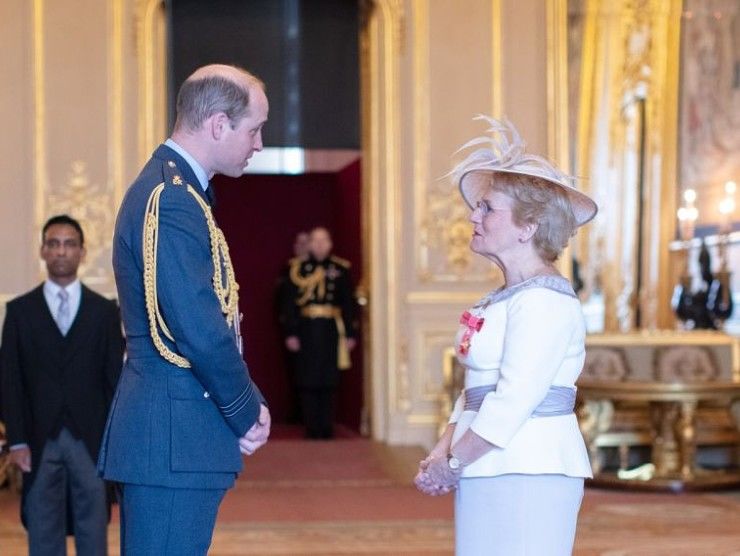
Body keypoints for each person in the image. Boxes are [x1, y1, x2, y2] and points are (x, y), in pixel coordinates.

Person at [97, 64, 271, 555]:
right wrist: (245, 409)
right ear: (218, 124)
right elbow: (197, 327)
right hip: (173, 438)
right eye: (254, 128)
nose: (258, 143)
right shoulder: (172, 200)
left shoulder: (181, 193)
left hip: (174, 437)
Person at [414, 116, 597, 555]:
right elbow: (474, 392)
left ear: (528, 227)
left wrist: (454, 461)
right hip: (487, 462)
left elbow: (516, 398)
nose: (473, 216)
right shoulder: (502, 298)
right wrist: (442, 453)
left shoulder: (545, 302)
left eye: (488, 208)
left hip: (531, 466)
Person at [1, 214, 124, 556]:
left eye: (69, 244)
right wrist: (18, 440)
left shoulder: (104, 313)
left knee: (93, 530)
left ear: (82, 252)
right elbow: (10, 381)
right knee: (42, 529)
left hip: (92, 440)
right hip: (38, 441)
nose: (61, 251)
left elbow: (114, 383)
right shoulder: (20, 311)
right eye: (53, 244)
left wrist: (113, 443)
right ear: (42, 250)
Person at [281, 227, 356, 439]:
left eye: (325, 240)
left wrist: (350, 334)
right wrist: (291, 333)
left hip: (331, 330)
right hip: (306, 330)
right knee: (308, 378)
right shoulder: (298, 269)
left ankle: (326, 427)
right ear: (310, 244)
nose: (320, 245)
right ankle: (312, 427)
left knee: (329, 379)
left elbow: (348, 304)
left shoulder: (340, 269)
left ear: (330, 244)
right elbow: (289, 304)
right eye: (316, 240)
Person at [276, 231, 310, 423]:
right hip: (295, 329)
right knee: (296, 374)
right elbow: (284, 303)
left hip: (316, 332)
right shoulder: (290, 270)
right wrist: (290, 330)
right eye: (301, 244)